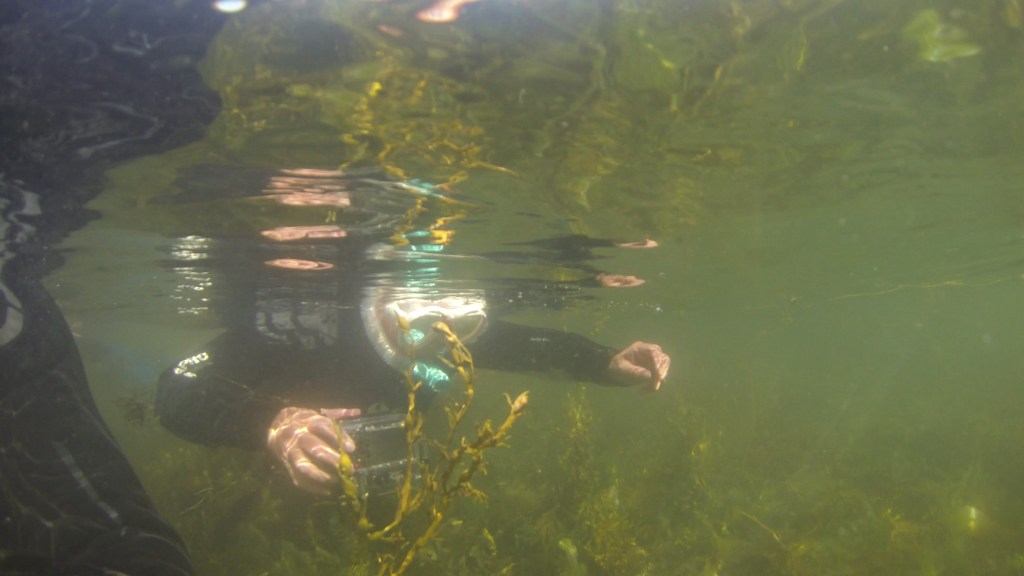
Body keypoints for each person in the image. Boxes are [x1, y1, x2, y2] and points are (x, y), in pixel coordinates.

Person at [154, 168, 671, 496]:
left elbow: (514, 345)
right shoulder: (298, 329)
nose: (434, 325)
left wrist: (604, 361)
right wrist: (270, 422)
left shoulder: (429, 330)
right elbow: (178, 389)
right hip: (275, 477)